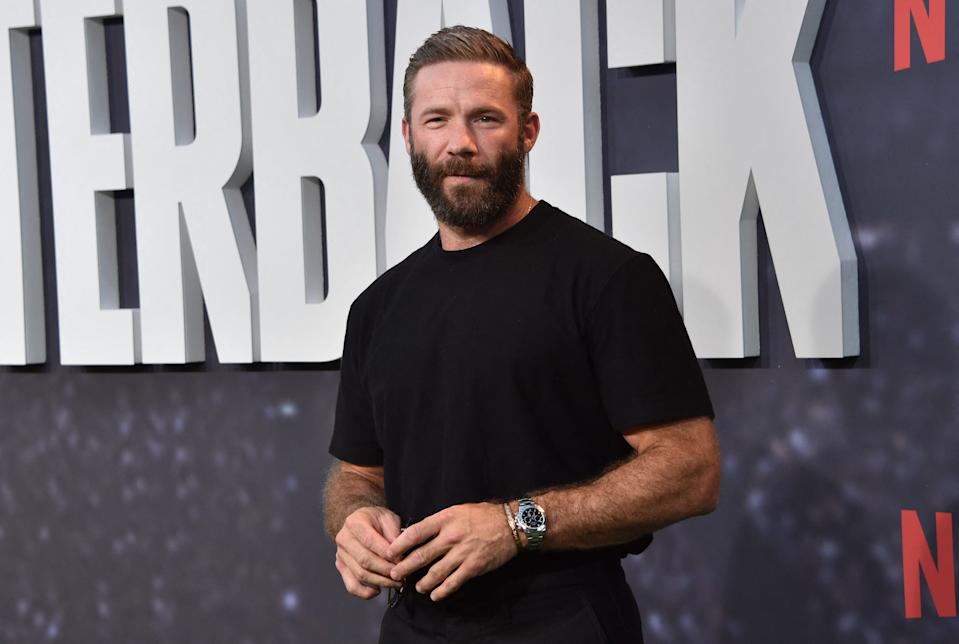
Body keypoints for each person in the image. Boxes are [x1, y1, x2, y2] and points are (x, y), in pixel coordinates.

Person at [323, 26, 720, 643]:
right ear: (407, 136)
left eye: (485, 118)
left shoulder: (608, 278)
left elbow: (690, 471)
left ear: (527, 131)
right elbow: (357, 473)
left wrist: (518, 524)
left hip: (561, 622)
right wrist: (353, 519)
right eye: (436, 120)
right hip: (411, 624)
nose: (460, 144)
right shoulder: (377, 307)